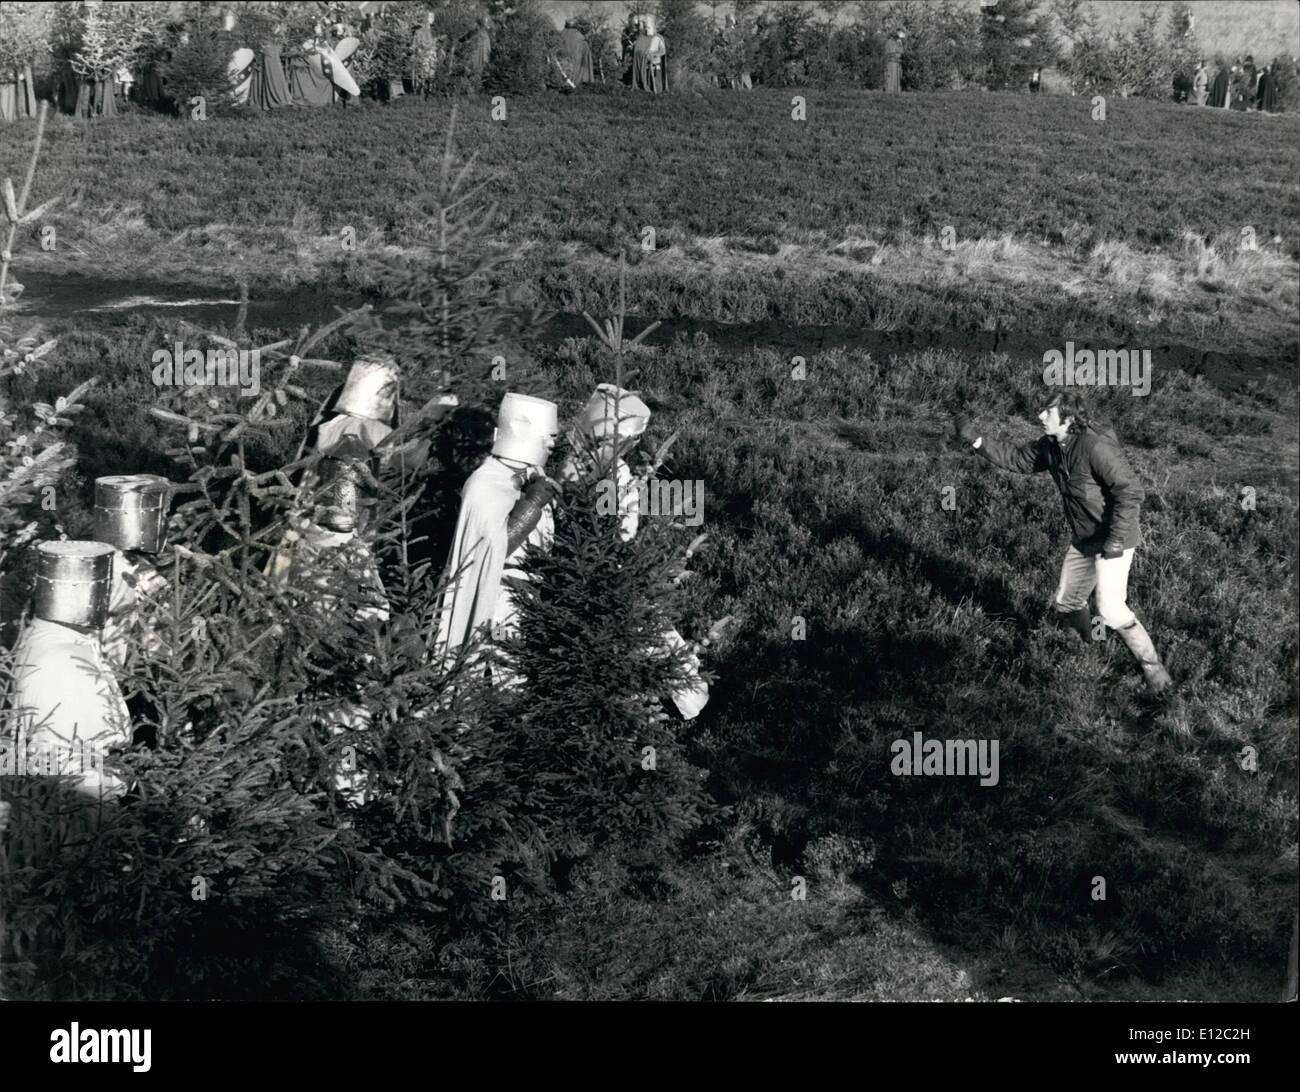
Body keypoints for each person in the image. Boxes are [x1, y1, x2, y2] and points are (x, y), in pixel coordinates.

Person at [952, 392, 1173, 697]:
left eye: (1048, 412)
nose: (1040, 416)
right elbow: (1018, 459)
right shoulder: (1052, 446)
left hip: (1114, 538)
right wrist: (976, 440)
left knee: (1109, 608)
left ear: (1068, 419)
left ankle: (1155, 672)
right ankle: (1090, 655)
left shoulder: (1095, 446)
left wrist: (1114, 540)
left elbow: (1130, 492)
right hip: (1084, 538)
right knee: (1067, 603)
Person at [562, 385, 711, 719]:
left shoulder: (604, 472)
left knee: (649, 640)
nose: (628, 446)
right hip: (607, 572)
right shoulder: (599, 473)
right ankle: (666, 698)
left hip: (615, 570)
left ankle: (672, 698)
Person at [434, 393, 560, 666]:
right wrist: (532, 504)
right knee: (496, 672)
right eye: (547, 435)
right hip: (496, 598)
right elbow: (492, 547)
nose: (552, 443)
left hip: (525, 598)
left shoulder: (534, 478)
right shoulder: (485, 483)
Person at [8, 541, 131, 799]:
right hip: (82, 814)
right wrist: (122, 785)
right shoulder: (59, 660)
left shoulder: (74, 641)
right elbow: (65, 768)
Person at [632, 14, 667, 94]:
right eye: (645, 26)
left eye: (648, 26)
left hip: (655, 64)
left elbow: (663, 51)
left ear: (652, 25)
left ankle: (658, 96)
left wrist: (653, 54)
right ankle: (647, 93)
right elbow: (638, 51)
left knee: (656, 84)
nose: (646, 28)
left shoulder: (658, 37)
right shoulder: (641, 38)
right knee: (647, 81)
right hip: (644, 65)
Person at [557, 19, 594, 86]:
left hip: (561, 69)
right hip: (576, 68)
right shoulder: (580, 37)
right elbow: (586, 56)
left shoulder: (560, 35)